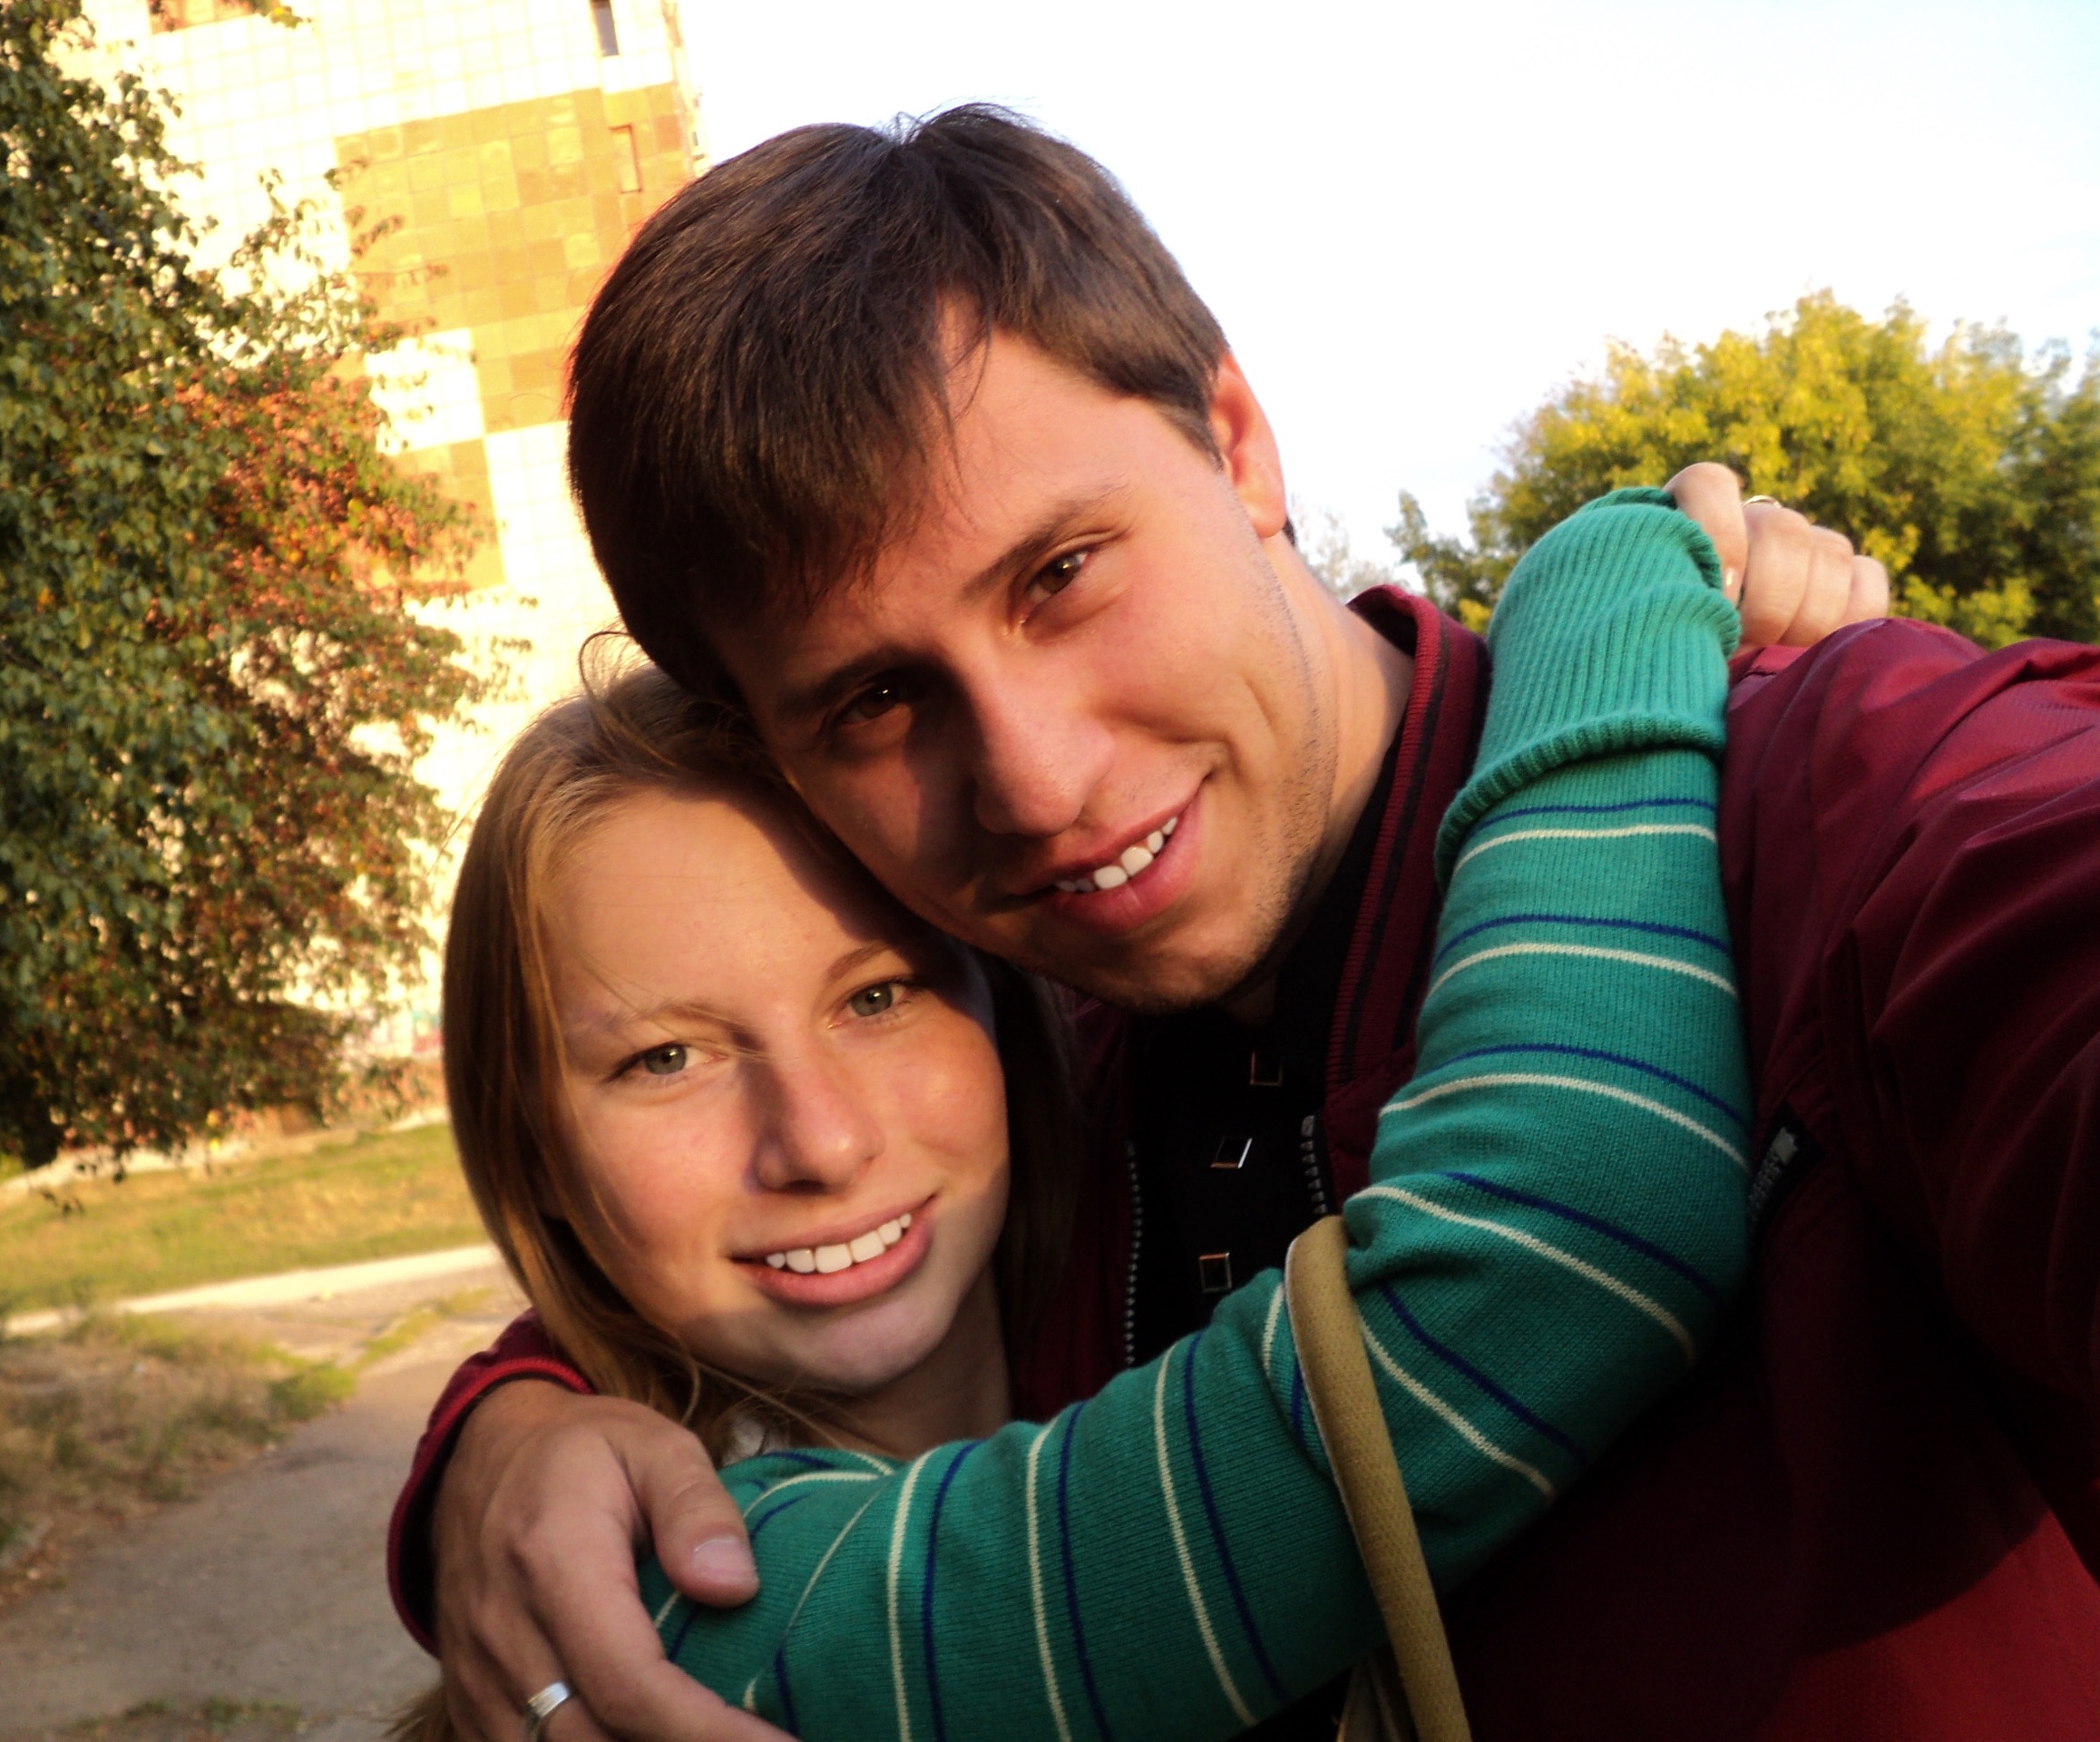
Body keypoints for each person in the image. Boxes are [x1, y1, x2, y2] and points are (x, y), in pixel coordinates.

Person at [400, 109, 2100, 1741]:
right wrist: (509, 1431)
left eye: (1062, 573)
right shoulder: (1041, 1091)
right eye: (875, 700)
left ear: (1237, 440)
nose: (1040, 783)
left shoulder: (1842, 806)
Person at [406, 493, 1753, 1742]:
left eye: (878, 996)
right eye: (665, 1059)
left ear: (1012, 1007)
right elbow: (1552, 1256)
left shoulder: (1135, 1242)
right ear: (538, 1152)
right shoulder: (662, 1605)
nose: (818, 1142)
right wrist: (1609, 577)